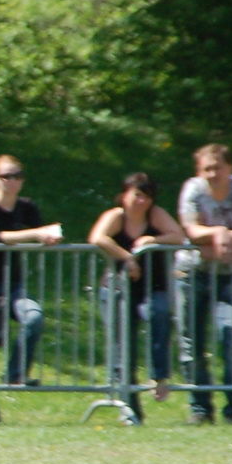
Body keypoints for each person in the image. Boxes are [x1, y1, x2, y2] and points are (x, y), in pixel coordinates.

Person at [176, 143, 232, 424]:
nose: (213, 174)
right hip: (192, 272)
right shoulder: (192, 189)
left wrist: (219, 236)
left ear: (231, 167)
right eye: (206, 169)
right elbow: (192, 231)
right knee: (190, 342)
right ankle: (200, 408)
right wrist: (221, 233)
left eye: (218, 167)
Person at [0, 155, 63, 424]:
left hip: (15, 284)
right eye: (6, 176)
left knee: (33, 317)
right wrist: (37, 233)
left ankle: (15, 374)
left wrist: (50, 237)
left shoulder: (26, 207)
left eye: (17, 175)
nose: (12, 181)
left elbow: (41, 231)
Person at [88, 173, 185, 422]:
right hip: (119, 289)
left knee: (160, 313)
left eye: (147, 196)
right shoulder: (115, 216)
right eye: (137, 195)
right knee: (122, 346)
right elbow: (97, 237)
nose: (142, 201)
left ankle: (158, 376)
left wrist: (154, 239)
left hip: (154, 287)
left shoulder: (156, 215)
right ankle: (129, 410)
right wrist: (128, 257)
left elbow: (178, 235)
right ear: (124, 195)